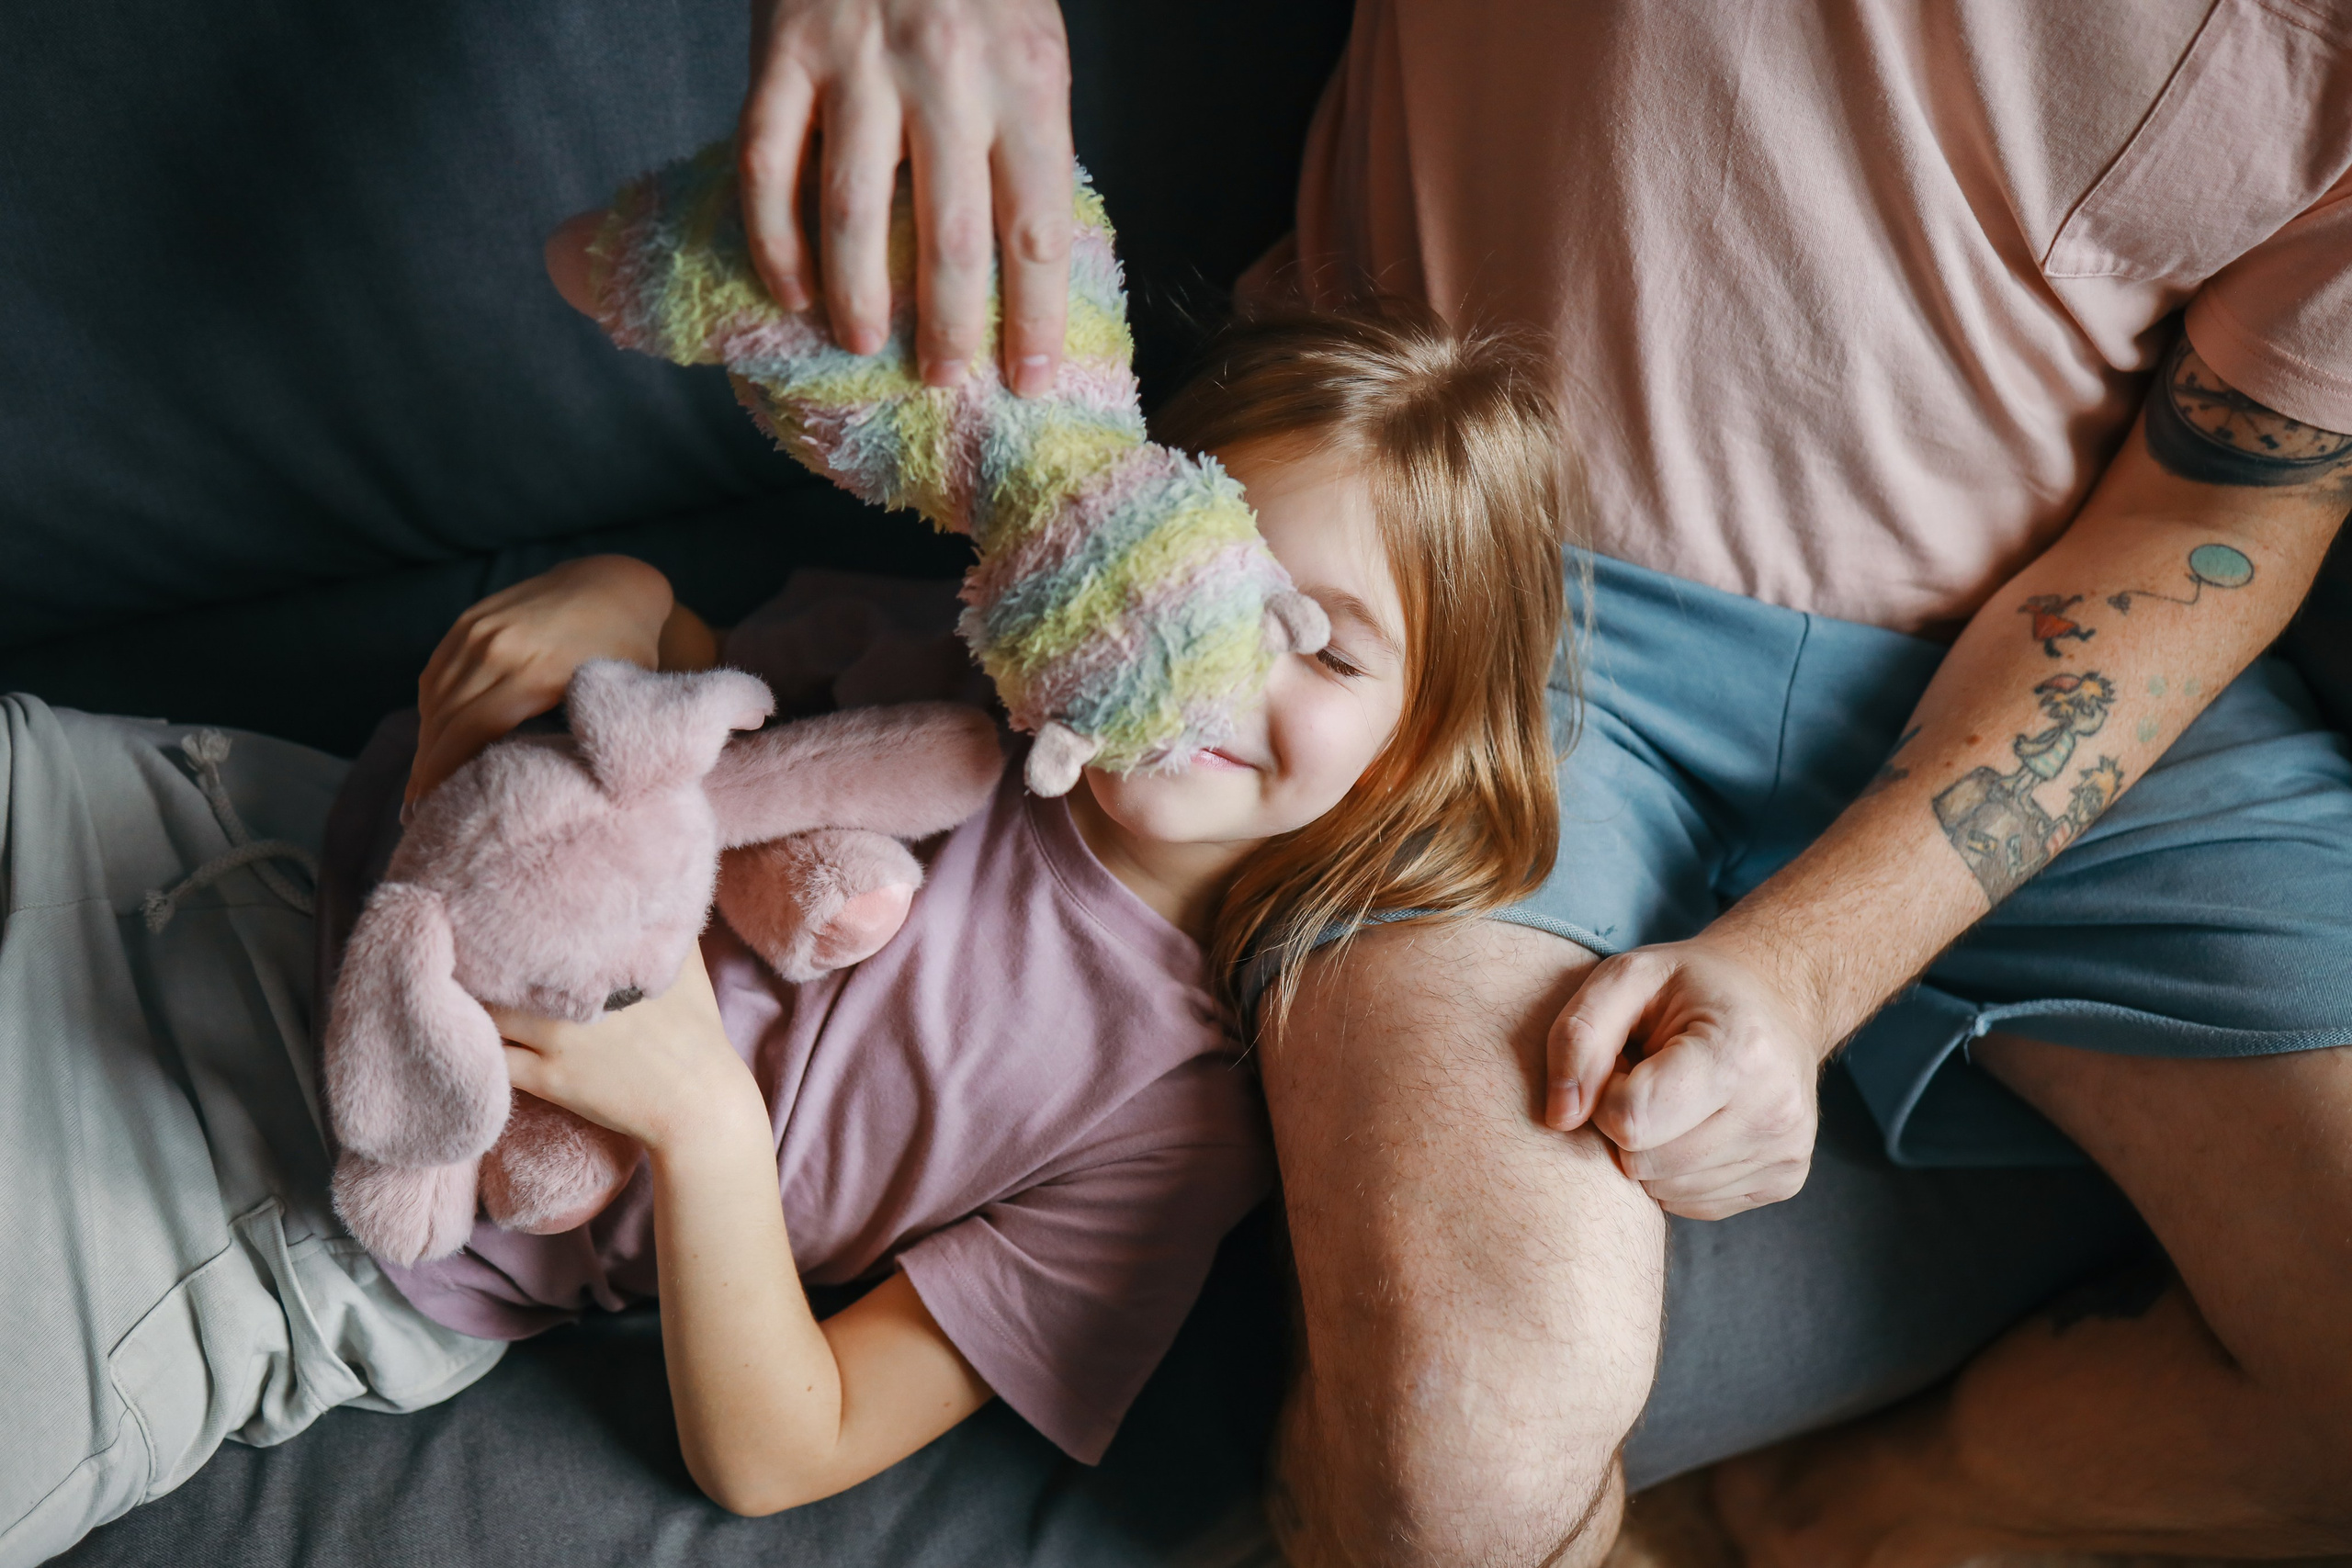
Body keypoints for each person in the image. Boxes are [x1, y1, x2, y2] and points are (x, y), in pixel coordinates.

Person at [721, 0, 2352, 1562]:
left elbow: (2227, 504)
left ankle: (1861, 1523)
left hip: (2082, 630)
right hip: (1479, 581)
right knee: (1462, 1475)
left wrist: (1811, 967)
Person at [0, 303, 1575, 1559]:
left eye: (1326, 649)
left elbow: (784, 1449)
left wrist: (700, 1123)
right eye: (1211, 575)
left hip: (287, 1212)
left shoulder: (1170, 1123)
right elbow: (693, 662)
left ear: (1422, 745)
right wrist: (608, 596)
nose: (1216, 664)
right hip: (209, 831)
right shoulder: (959, 657)